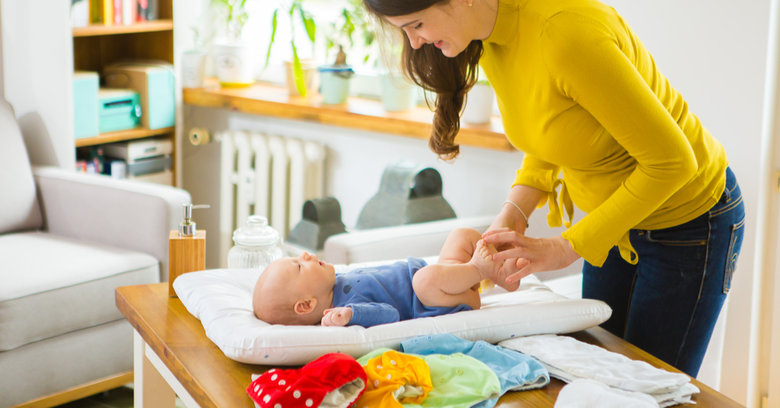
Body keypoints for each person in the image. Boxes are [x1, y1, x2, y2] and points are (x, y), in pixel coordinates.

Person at [361, 0, 745, 377]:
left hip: (688, 220)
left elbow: (673, 161)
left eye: (415, 24)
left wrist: (566, 247)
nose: (414, 43)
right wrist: (513, 214)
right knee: (599, 375)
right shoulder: (489, 37)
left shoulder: (566, 34)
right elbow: (553, 135)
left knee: (654, 389)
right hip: (614, 221)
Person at [252, 228, 510, 327]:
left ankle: (502, 274)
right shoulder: (345, 308)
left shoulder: (336, 280)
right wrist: (352, 315)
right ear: (307, 305)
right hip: (435, 299)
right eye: (299, 266)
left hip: (446, 280)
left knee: (461, 236)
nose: (306, 255)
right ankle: (479, 270)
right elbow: (390, 315)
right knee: (424, 280)